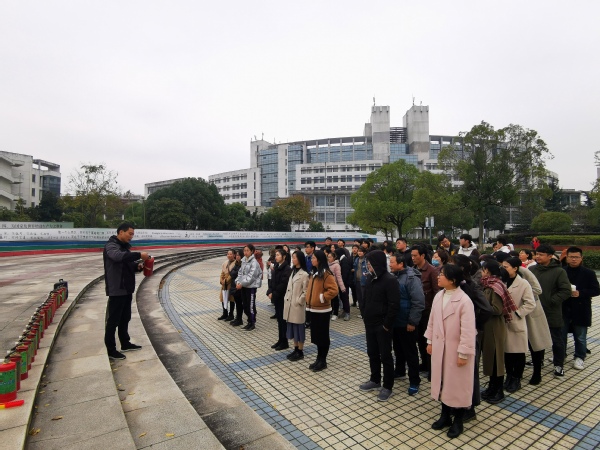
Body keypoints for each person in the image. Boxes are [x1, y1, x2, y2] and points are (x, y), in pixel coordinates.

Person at [425, 264, 476, 439]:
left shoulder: (464, 301)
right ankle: (445, 415)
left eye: (442, 274)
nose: (438, 277)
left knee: (458, 386)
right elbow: (432, 321)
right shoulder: (439, 296)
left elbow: (468, 330)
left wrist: (463, 353)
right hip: (440, 348)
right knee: (443, 383)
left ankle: (458, 421)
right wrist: (430, 341)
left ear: (453, 280)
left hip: (456, 351)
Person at [103, 222, 149, 360]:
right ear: (121, 232)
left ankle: (125, 343)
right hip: (117, 288)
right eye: (130, 233)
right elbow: (117, 257)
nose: (131, 236)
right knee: (113, 321)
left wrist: (137, 267)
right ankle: (111, 350)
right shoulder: (111, 246)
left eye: (133, 234)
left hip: (127, 288)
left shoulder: (124, 248)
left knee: (125, 318)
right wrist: (139, 254)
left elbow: (128, 264)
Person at [359, 250, 400, 402]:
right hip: (369, 323)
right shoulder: (370, 278)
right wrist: (364, 315)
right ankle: (375, 379)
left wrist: (386, 324)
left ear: (377, 263)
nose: (368, 266)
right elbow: (365, 299)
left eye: (370, 263)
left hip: (382, 325)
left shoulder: (390, 280)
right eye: (367, 263)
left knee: (386, 355)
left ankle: (388, 386)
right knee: (372, 353)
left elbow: (394, 304)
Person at [529, 244, 572, 377]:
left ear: (550, 256)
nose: (538, 257)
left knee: (556, 340)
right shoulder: (532, 269)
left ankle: (558, 365)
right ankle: (538, 360)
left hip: (551, 311)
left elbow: (566, 290)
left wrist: (551, 301)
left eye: (541, 255)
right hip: (535, 310)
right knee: (536, 337)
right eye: (537, 254)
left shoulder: (559, 271)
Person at [479, 259, 517, 404]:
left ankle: (498, 390)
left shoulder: (495, 286)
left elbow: (497, 309)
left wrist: (481, 307)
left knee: (496, 360)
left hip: (494, 328)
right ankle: (492, 387)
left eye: (483, 270)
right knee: (490, 359)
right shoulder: (488, 285)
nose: (481, 273)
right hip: (488, 327)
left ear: (487, 271)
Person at [390, 252, 424, 396]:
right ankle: (399, 371)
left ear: (400, 264)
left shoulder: (411, 278)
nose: (390, 265)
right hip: (395, 321)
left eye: (392, 262)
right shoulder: (394, 276)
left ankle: (414, 380)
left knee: (410, 352)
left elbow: (418, 302)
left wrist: (412, 322)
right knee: (398, 348)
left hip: (407, 322)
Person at [501, 257, 537, 393]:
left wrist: (517, 313)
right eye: (502, 266)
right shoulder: (502, 281)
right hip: (503, 322)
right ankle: (509, 376)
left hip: (516, 322)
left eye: (506, 267)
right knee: (507, 353)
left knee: (518, 353)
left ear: (515, 268)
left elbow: (530, 303)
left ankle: (517, 378)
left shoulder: (523, 283)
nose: (503, 269)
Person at [562, 247, 600, 370]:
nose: (574, 259)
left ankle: (579, 357)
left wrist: (581, 293)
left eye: (576, 257)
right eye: (571, 257)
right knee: (561, 334)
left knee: (580, 336)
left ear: (581, 258)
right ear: (567, 258)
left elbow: (596, 290)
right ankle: (560, 355)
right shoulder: (561, 271)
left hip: (581, 307)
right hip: (564, 307)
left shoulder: (589, 273)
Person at [411, 244, 441, 381]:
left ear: (422, 256)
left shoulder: (432, 271)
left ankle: (432, 369)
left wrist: (435, 312)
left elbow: (437, 292)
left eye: (415, 255)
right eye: (412, 256)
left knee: (429, 341)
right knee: (419, 341)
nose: (413, 258)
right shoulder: (413, 270)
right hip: (417, 311)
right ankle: (424, 363)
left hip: (428, 312)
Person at [306, 250, 338, 372]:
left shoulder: (326, 274)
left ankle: (323, 361)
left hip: (322, 310)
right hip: (312, 309)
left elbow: (333, 290)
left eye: (314, 258)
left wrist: (321, 298)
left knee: (323, 336)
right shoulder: (313, 273)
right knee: (317, 336)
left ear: (319, 260)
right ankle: (318, 359)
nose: (312, 260)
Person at [283, 251, 310, 361]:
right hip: (290, 305)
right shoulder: (293, 271)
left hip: (297, 306)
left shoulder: (304, 274)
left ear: (299, 259)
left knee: (299, 329)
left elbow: (306, 291)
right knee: (292, 328)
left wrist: (299, 301)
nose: (292, 259)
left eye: (294, 257)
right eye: (292, 257)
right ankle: (295, 349)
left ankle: (300, 351)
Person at [268, 249, 292, 350]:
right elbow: (272, 281)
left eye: (278, 255)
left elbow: (284, 284)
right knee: (279, 319)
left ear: (284, 256)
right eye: (276, 255)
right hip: (276, 297)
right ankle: (280, 339)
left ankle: (284, 341)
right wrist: (269, 291)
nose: (276, 257)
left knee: (283, 320)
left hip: (282, 298)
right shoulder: (276, 267)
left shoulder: (287, 269)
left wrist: (274, 294)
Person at [235, 244, 263, 331]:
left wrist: (241, 284)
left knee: (250, 305)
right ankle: (249, 321)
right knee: (245, 305)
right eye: (244, 251)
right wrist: (238, 282)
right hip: (244, 286)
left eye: (247, 250)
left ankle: (252, 322)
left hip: (251, 287)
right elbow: (240, 273)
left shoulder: (254, 262)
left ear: (252, 251)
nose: (245, 252)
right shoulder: (244, 261)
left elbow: (251, 277)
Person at [326, 250, 346, 321]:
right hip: (327, 285)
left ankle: (335, 313)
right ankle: (330, 312)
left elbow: (339, 277)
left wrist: (342, 287)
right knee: (329, 300)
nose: (329, 258)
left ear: (334, 258)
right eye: (328, 257)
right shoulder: (327, 265)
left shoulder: (336, 265)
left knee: (335, 300)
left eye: (330, 257)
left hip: (334, 285)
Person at [218, 250, 237, 320]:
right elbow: (222, 273)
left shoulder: (236, 263)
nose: (229, 255)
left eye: (231, 254)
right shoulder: (225, 263)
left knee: (231, 299)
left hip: (231, 283)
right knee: (223, 298)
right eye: (228, 254)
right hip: (224, 284)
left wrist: (226, 281)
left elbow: (232, 275)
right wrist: (221, 280)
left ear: (234, 255)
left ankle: (231, 314)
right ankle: (225, 313)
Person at [335, 248, 352, 320]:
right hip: (342, 282)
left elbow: (345, 273)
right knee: (342, 297)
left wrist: (342, 283)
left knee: (345, 298)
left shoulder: (344, 260)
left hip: (344, 283)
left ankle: (347, 312)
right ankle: (344, 310)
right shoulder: (341, 260)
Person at [229, 250, 244, 326]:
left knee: (239, 304)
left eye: (239, 255)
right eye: (237, 255)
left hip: (238, 287)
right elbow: (232, 273)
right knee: (237, 303)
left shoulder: (242, 265)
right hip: (234, 286)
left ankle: (239, 319)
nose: (237, 257)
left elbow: (236, 274)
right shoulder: (236, 264)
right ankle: (237, 318)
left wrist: (233, 273)